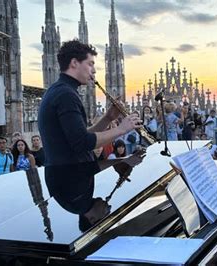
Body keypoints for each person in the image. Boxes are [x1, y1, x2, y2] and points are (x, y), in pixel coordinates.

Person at [38, 40, 141, 223]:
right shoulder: (65, 94)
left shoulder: (62, 91)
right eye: (91, 64)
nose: (93, 71)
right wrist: (122, 129)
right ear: (74, 63)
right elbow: (82, 143)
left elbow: (77, 139)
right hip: (67, 174)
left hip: (65, 172)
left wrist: (108, 118)